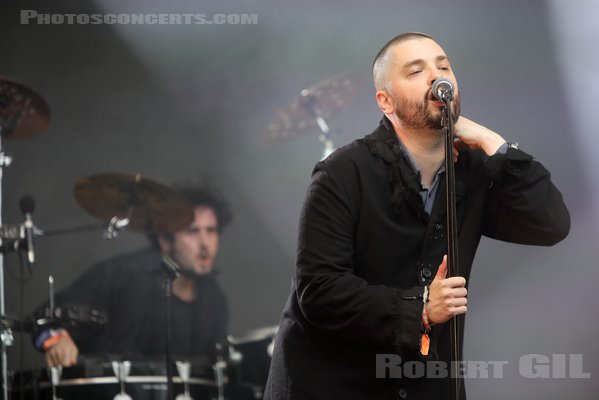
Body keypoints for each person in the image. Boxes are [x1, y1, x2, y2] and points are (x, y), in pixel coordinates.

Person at [264, 32, 570, 400]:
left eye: (443, 66)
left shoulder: (472, 170)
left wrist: (495, 144)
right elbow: (319, 290)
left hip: (424, 382)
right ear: (386, 102)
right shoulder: (344, 172)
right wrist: (421, 308)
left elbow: (550, 223)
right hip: (333, 383)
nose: (436, 77)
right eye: (415, 71)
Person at [31, 184, 232, 369]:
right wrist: (56, 339)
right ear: (164, 239)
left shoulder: (214, 298)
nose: (205, 243)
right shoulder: (121, 274)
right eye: (193, 231)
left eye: (211, 231)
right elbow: (43, 318)